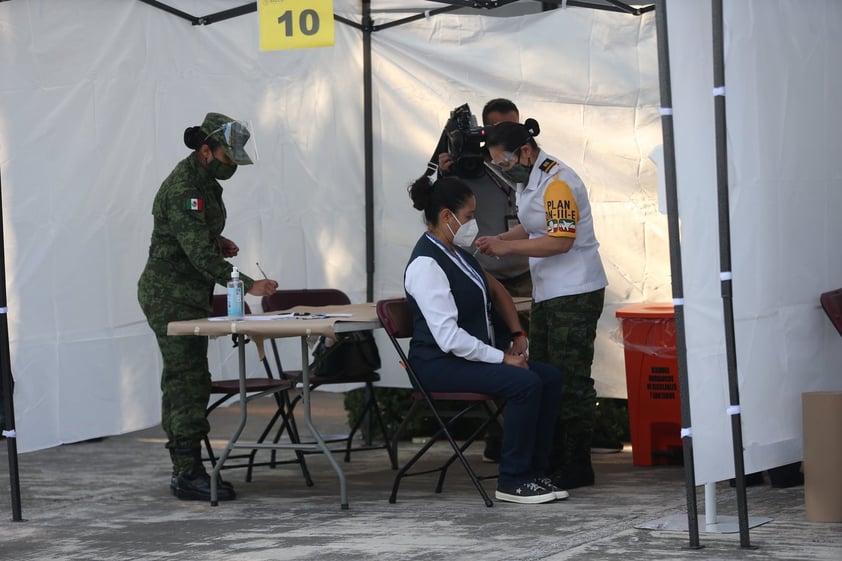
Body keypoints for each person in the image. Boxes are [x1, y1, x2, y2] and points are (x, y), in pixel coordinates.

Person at [137, 112, 279, 501]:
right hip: (169, 296)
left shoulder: (203, 182)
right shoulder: (186, 186)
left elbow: (193, 237)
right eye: (228, 158)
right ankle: (186, 471)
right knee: (186, 380)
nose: (232, 165)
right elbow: (198, 255)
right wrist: (250, 285)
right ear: (206, 150)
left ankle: (189, 465)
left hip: (187, 294)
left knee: (192, 377)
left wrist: (218, 240)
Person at [404, 174, 566, 504]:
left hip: (463, 358)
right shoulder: (426, 264)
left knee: (549, 377)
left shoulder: (457, 254)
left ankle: (534, 472)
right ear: (447, 216)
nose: (473, 224)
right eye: (468, 216)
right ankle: (513, 480)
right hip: (437, 364)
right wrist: (503, 359)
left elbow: (494, 293)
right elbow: (448, 337)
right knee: (525, 383)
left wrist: (515, 337)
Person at [476, 120, 608, 490]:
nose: (503, 170)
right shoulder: (529, 180)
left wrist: (508, 248)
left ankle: (576, 464)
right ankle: (550, 459)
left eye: (504, 163)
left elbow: (560, 240)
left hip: (574, 291)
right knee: (547, 375)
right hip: (550, 292)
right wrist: (500, 237)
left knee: (570, 380)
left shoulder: (558, 182)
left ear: (526, 151)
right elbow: (533, 224)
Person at [435, 98, 531, 464]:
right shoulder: (468, 169)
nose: (507, 137)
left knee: (531, 354)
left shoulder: (525, 164)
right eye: (497, 131)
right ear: (482, 134)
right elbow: (437, 208)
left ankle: (527, 435)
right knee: (498, 355)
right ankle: (501, 436)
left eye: (514, 129)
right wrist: (447, 172)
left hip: (527, 271)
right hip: (487, 275)